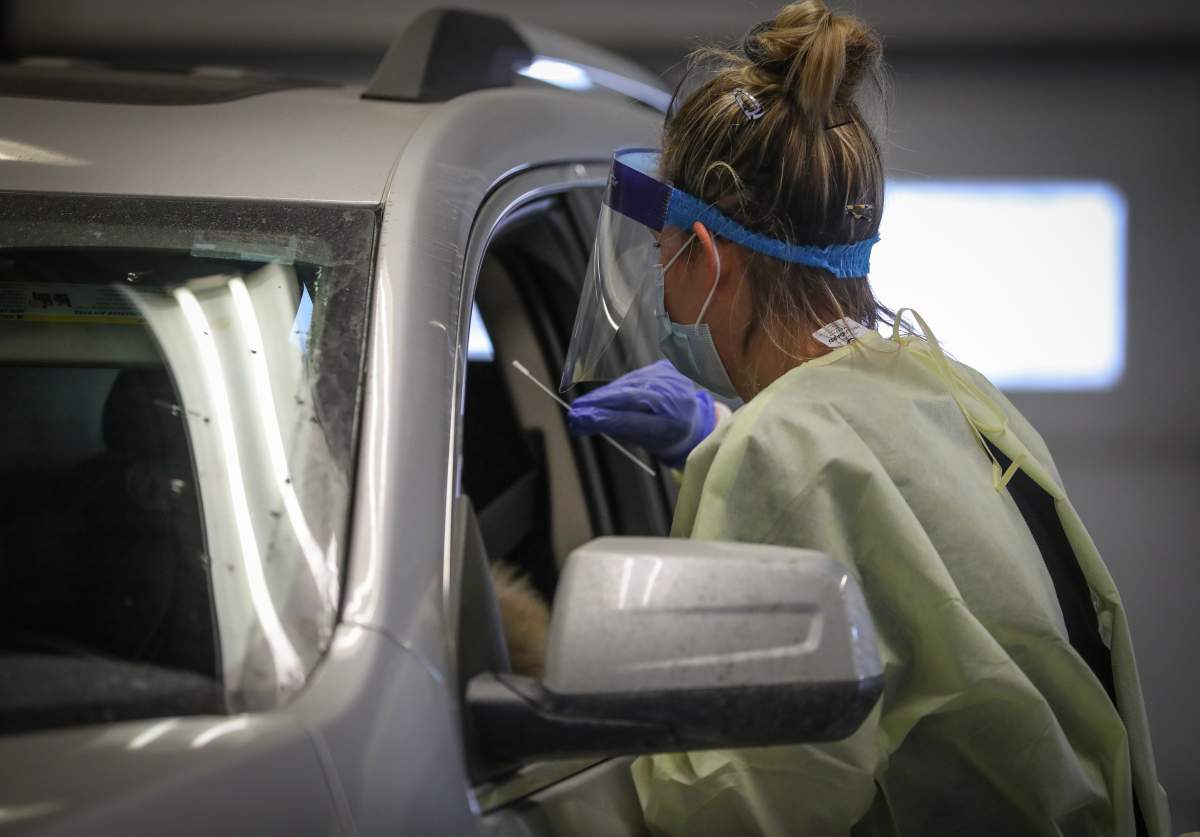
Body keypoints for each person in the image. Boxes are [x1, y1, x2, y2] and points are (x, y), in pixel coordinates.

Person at [560, 2, 1171, 835]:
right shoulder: (953, 390)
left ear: (704, 257)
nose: (664, 298)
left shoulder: (782, 450)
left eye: (665, 262)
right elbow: (909, 553)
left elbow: (740, 808)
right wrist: (723, 436)